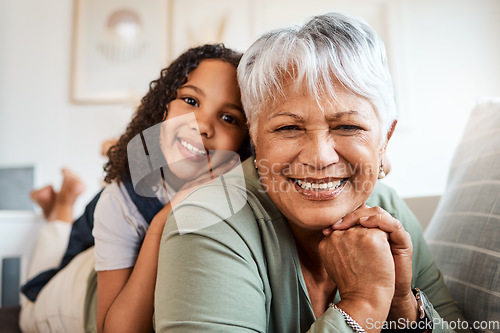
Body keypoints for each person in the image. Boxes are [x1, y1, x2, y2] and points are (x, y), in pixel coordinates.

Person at [154, 13, 471, 333]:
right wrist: (363, 304)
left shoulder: (387, 207)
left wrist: (401, 304)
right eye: (288, 127)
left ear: (384, 140)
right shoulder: (206, 218)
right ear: (255, 137)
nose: (319, 157)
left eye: (348, 126)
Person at [19, 43, 251, 333]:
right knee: (38, 285)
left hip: (96, 262)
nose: (202, 124)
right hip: (60, 304)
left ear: (245, 141)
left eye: (229, 118)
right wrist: (167, 217)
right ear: (163, 106)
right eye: (191, 101)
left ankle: (60, 206)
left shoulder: (241, 196)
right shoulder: (121, 201)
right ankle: (62, 207)